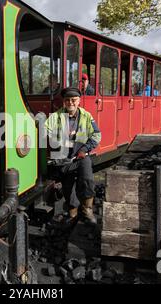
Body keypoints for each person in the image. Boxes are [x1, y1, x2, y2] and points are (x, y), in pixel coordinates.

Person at [45, 87, 102, 224]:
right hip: (63, 160)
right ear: (64, 102)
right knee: (68, 188)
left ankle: (87, 209)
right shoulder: (54, 117)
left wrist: (85, 149)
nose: (71, 102)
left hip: (81, 156)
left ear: (79, 101)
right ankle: (73, 214)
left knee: (87, 179)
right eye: (67, 100)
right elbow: (43, 133)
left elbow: (97, 135)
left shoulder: (86, 116)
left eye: (74, 100)